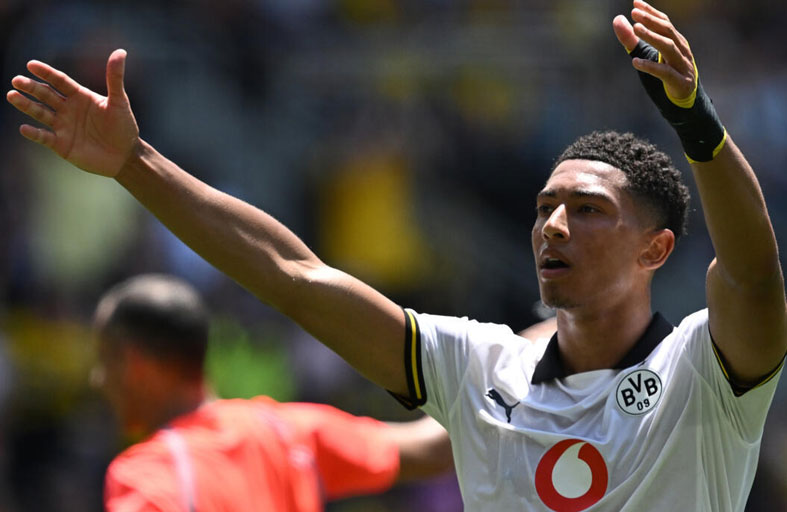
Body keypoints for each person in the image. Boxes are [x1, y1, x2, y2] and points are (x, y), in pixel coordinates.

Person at [7, 0, 785, 509]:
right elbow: (294, 276)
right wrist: (135, 163)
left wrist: (696, 125)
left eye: (586, 211)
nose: (552, 225)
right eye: (544, 207)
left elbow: (752, 275)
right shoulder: (478, 368)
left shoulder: (701, 372)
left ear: (656, 248)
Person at [90, 273, 452, 511]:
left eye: (105, 360)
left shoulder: (146, 477)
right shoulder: (286, 431)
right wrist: (484, 365)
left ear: (136, 365)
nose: (98, 379)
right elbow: (435, 449)